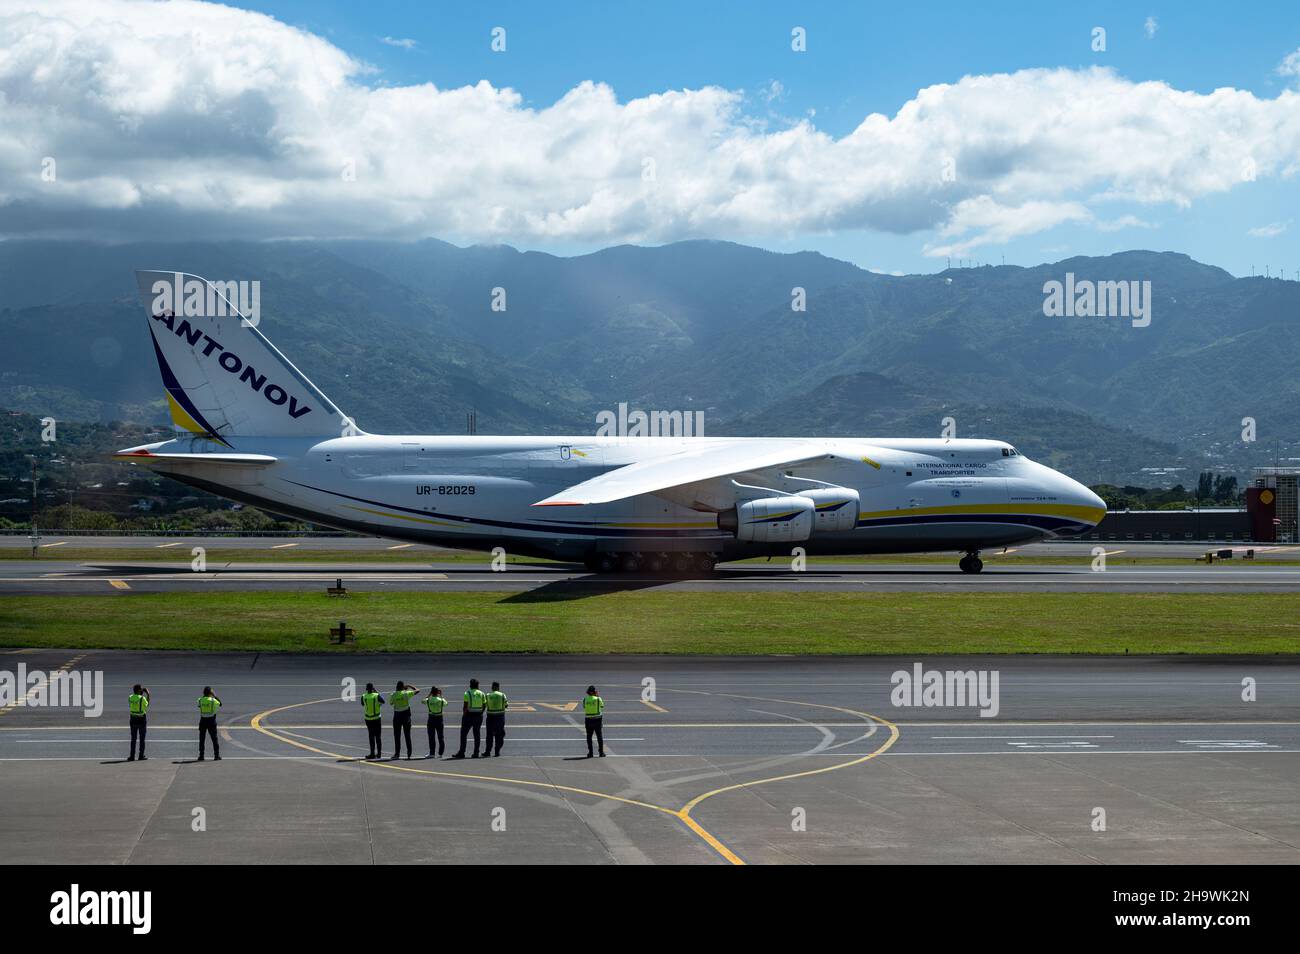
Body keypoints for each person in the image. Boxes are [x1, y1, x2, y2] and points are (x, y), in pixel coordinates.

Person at [452, 678, 486, 759]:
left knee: (463, 734)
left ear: (470, 685)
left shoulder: (467, 693)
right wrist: (481, 712)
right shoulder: (482, 693)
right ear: (477, 686)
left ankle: (462, 752)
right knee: (477, 734)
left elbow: (465, 706)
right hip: (478, 716)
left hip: (469, 715)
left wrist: (464, 714)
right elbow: (484, 705)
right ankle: (476, 753)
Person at [389, 680, 420, 760]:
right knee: (407, 735)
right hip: (406, 716)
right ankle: (409, 753)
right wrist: (409, 686)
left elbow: (391, 703)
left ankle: (397, 754)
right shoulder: (406, 693)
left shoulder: (393, 695)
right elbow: (417, 690)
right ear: (403, 687)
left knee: (397, 736)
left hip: (397, 716)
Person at [483, 681, 509, 757]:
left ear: (492, 687)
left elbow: (485, 705)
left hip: (490, 717)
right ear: (498, 687)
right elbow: (506, 705)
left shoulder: (487, 695)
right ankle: (497, 751)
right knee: (499, 735)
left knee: (489, 735)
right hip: (500, 718)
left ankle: (488, 751)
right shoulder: (502, 695)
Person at [196, 687, 222, 761]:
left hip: (203, 721)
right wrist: (215, 695)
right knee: (214, 739)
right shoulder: (213, 701)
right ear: (211, 693)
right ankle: (216, 755)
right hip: (211, 721)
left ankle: (201, 756)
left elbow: (199, 705)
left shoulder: (200, 700)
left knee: (202, 739)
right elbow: (220, 704)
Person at [361, 683, 385, 759]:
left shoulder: (363, 696)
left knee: (371, 736)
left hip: (368, 719)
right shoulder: (376, 695)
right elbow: (383, 701)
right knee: (378, 736)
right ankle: (379, 753)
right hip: (377, 718)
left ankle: (372, 753)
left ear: (366, 689)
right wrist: (376, 692)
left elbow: (362, 704)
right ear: (372, 688)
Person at [424, 686, 449, 758]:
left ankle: (432, 753)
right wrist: (441, 695)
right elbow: (446, 703)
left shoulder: (429, 700)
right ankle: (441, 753)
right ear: (437, 692)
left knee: (431, 737)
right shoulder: (441, 700)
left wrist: (429, 695)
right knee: (440, 737)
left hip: (431, 718)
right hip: (439, 718)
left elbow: (423, 701)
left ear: (432, 692)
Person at [127, 684, 151, 761]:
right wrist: (148, 694)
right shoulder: (142, 698)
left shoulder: (130, 697)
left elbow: (134, 701)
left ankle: (132, 756)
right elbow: (147, 705)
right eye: (140, 689)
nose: (141, 690)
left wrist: (140, 694)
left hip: (133, 719)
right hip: (141, 719)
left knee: (133, 739)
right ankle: (141, 755)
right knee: (142, 739)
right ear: (138, 690)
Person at [583, 685, 605, 758]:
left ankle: (590, 753)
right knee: (599, 736)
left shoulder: (585, 699)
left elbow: (584, 707)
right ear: (595, 692)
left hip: (588, 720)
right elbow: (602, 706)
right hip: (597, 719)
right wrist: (597, 696)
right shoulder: (598, 699)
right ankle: (601, 753)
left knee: (589, 737)